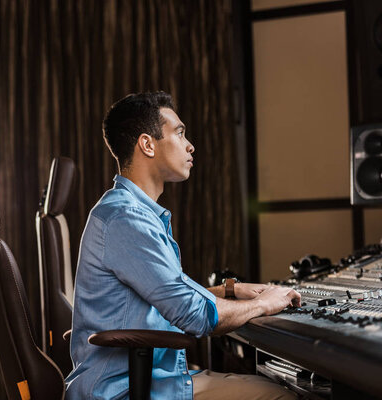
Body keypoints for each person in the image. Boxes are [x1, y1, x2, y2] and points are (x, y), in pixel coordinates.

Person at [65, 91, 300, 399]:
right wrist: (264, 304)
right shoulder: (126, 218)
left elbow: (165, 297)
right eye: (179, 133)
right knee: (282, 395)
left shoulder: (131, 212)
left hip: (146, 382)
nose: (190, 145)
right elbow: (194, 316)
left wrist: (230, 290)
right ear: (147, 144)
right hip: (125, 391)